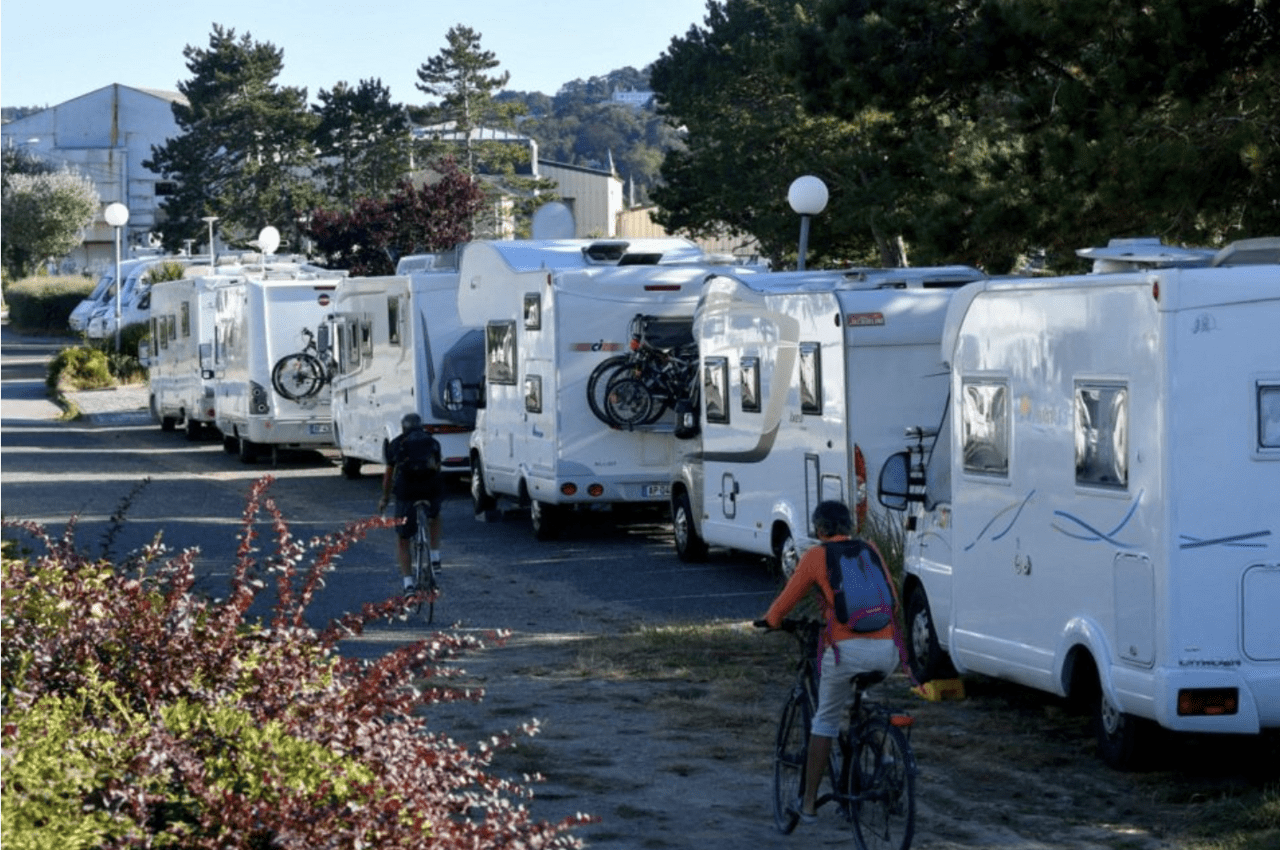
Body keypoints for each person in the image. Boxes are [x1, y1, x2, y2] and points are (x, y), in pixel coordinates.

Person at [760, 500, 903, 825]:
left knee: (824, 719)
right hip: (887, 651)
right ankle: (885, 754)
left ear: (820, 529)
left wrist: (771, 621)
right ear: (849, 526)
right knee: (858, 700)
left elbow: (784, 603)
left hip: (847, 651)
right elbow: (892, 601)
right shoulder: (870, 549)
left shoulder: (816, 556)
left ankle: (809, 804)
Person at [377, 412, 444, 593]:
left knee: (403, 538)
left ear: (403, 428)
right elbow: (438, 468)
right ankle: (435, 556)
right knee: (435, 515)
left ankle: (408, 585)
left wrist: (385, 498)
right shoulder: (433, 442)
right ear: (420, 426)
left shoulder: (396, 444)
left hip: (407, 491)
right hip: (430, 488)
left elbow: (388, 476)